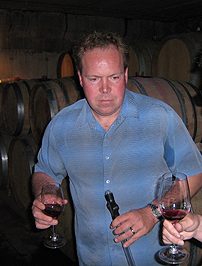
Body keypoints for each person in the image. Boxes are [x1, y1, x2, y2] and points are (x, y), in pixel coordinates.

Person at [31, 31, 202, 266]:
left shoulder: (160, 117)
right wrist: (44, 194)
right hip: (92, 259)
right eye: (93, 79)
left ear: (126, 74)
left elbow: (193, 171)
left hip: (152, 259)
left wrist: (151, 213)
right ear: (80, 78)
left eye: (113, 77)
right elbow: (44, 172)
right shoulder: (62, 125)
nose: (104, 89)